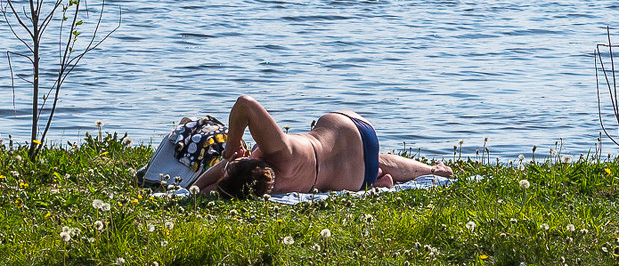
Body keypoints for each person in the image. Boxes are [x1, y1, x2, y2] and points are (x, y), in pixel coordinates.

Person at [192, 95, 453, 198]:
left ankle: (378, 181)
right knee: (375, 156)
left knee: (376, 162)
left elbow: (201, 190)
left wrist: (228, 170)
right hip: (353, 130)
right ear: (251, 162)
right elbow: (244, 105)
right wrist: (230, 151)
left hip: (355, 177)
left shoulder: (268, 189)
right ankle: (433, 169)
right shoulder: (280, 152)